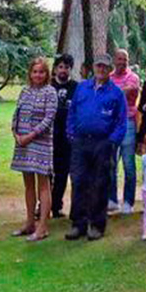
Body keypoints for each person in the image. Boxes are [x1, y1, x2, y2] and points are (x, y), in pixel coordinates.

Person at [65, 54, 127, 241]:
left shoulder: (116, 93)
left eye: (105, 67)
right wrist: (71, 133)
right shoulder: (82, 88)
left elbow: (121, 122)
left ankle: (97, 225)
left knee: (100, 184)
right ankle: (78, 224)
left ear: (110, 70)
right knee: (79, 182)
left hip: (103, 143)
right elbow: (72, 112)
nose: (101, 69)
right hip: (81, 142)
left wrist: (111, 142)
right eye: (98, 66)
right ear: (94, 67)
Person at [10, 58, 58, 241]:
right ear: (30, 73)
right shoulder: (25, 91)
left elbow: (48, 118)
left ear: (47, 74)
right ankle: (30, 223)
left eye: (41, 72)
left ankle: (43, 227)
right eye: (35, 71)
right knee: (28, 184)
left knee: (43, 184)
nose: (38, 75)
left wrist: (30, 136)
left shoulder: (50, 92)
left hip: (40, 144)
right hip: (22, 143)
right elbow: (17, 113)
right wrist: (15, 133)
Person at [108, 48, 140, 214]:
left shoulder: (133, 77)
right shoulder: (109, 77)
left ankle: (128, 201)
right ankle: (112, 199)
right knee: (111, 163)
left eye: (125, 59)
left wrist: (112, 94)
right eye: (119, 59)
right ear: (114, 60)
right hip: (111, 124)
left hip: (127, 122)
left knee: (128, 164)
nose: (122, 62)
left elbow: (123, 93)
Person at [50, 54, 78, 217]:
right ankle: (44, 204)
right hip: (50, 137)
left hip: (68, 138)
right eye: (60, 67)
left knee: (62, 172)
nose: (63, 70)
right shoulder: (49, 87)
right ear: (55, 69)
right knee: (47, 174)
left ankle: (56, 205)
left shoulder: (76, 87)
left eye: (66, 67)